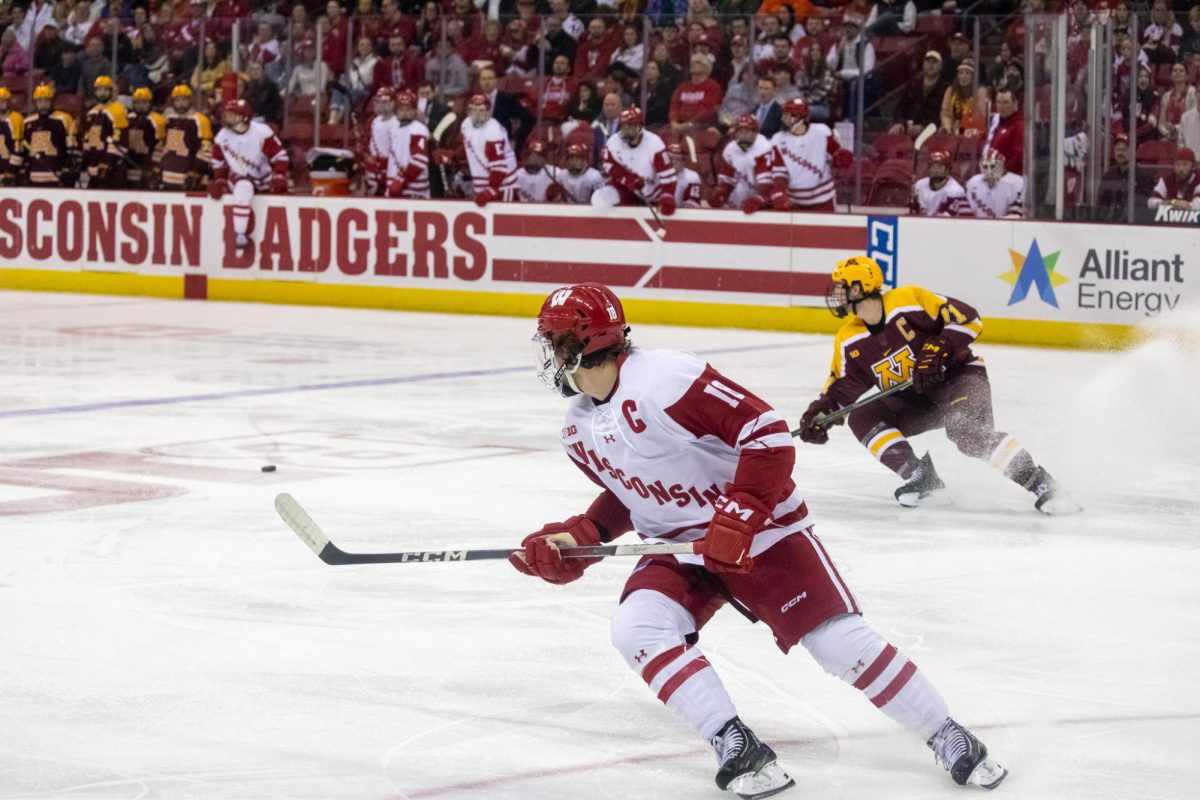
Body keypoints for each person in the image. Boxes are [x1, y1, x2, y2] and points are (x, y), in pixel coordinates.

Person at [512, 281, 1010, 798]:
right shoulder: (578, 427)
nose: (548, 355)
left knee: (838, 643)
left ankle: (946, 734)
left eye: (553, 342)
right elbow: (625, 493)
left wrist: (740, 515)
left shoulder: (666, 379)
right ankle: (736, 743)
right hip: (681, 548)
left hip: (764, 534)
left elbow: (766, 432)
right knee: (636, 627)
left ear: (583, 342)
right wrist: (582, 536)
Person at [797, 257, 1081, 515]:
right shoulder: (849, 338)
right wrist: (821, 413)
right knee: (863, 416)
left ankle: (1043, 484)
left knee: (967, 432)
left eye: (843, 286)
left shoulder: (907, 300)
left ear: (861, 286)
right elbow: (841, 387)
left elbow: (969, 319)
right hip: (915, 398)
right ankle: (922, 478)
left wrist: (941, 346)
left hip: (959, 379)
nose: (837, 293)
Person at [209, 98, 290, 251]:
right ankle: (240, 233)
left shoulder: (261, 132)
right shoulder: (222, 136)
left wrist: (279, 175)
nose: (227, 117)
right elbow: (218, 161)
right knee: (243, 189)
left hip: (263, 176)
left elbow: (280, 156)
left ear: (245, 117)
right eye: (227, 114)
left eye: (233, 114)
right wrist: (219, 180)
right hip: (239, 176)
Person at [769, 97, 852, 212]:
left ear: (800, 118)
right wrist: (779, 190)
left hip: (824, 199)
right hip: (794, 201)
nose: (783, 119)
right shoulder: (777, 139)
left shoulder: (821, 132)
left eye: (788, 116)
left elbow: (837, 154)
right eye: (784, 115)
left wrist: (840, 158)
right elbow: (779, 172)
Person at [593, 105, 677, 216]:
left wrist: (667, 195)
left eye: (630, 126)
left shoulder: (654, 143)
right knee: (599, 198)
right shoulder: (614, 142)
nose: (626, 130)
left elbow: (667, 173)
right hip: (629, 189)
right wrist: (628, 179)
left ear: (640, 126)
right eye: (623, 126)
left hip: (652, 193)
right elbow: (608, 165)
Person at [712, 114, 783, 213]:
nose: (743, 135)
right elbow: (727, 178)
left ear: (755, 132)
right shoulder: (730, 149)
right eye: (740, 131)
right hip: (744, 192)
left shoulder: (765, 148)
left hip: (767, 196)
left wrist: (758, 199)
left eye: (748, 131)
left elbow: (767, 185)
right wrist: (722, 191)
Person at [456, 92, 517, 206]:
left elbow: (499, 167)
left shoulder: (493, 131)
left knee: (503, 222)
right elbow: (470, 148)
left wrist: (490, 191)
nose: (477, 114)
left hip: (502, 185)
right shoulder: (465, 125)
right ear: (468, 111)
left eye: (481, 110)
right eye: (474, 110)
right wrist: (453, 156)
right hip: (482, 182)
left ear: (489, 111)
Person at [156, 84, 213, 192]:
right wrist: (158, 166)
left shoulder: (200, 120)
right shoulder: (168, 119)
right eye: (177, 100)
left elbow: (206, 149)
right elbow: (162, 146)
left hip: (187, 175)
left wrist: (196, 171)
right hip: (168, 175)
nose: (181, 103)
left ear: (190, 100)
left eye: (184, 99)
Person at [21, 83, 77, 187]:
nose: (43, 104)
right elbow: (25, 151)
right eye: (40, 101)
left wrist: (69, 167)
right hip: (34, 177)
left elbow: (72, 148)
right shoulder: (28, 123)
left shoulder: (63, 120)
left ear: (52, 101)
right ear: (35, 103)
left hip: (57, 177)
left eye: (46, 101)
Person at [81, 75, 129, 188]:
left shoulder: (118, 110)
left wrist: (108, 163)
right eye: (100, 90)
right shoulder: (91, 113)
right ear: (95, 92)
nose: (102, 93)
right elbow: (88, 140)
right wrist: (85, 162)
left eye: (105, 90)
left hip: (112, 169)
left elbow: (120, 140)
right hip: (94, 166)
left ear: (111, 92)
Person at [387, 90, 431, 199]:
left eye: (408, 109)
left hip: (413, 190)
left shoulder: (419, 129)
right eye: (401, 109)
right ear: (396, 111)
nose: (405, 112)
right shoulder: (393, 128)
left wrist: (402, 181)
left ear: (415, 111)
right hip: (394, 186)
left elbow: (420, 160)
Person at [963, 148, 1024, 219]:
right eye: (985, 166)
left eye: (993, 166)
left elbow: (1016, 215)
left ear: (1002, 164)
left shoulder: (1017, 182)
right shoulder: (973, 182)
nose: (989, 171)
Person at [125, 87, 165, 188]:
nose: (140, 106)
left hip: (148, 162)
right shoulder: (128, 118)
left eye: (144, 102)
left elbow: (160, 145)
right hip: (131, 161)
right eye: (137, 103)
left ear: (150, 103)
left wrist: (155, 165)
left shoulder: (157, 120)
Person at [364, 87, 399, 197]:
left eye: (384, 102)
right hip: (374, 167)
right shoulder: (373, 121)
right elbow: (369, 142)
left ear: (393, 103)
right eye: (378, 101)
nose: (380, 105)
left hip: (391, 167)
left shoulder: (397, 123)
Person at [910, 151, 967, 216]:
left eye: (940, 167)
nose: (936, 170)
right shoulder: (919, 185)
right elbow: (914, 211)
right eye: (933, 167)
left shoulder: (956, 191)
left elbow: (947, 218)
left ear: (948, 169)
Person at [983, 88, 1024, 175]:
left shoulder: (1019, 126)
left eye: (1006, 102)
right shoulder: (998, 124)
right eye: (999, 102)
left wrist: (1002, 171)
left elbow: (1019, 157)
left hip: (1009, 176)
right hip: (993, 173)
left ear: (1015, 104)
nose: (1001, 106)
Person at [1148, 146, 1200, 211]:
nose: (1181, 169)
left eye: (1185, 164)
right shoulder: (1167, 180)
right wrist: (1172, 202)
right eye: (1177, 164)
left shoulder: (1198, 180)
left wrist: (1186, 206)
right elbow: (1151, 202)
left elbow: (1198, 205)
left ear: (1193, 166)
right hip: (1170, 220)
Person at [0, 87, 24, 186]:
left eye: (3, 101)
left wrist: (11, 170)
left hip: (8, 171)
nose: (0, 104)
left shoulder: (16, 118)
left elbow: (18, 147)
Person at [667, 142, 702, 208]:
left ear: (683, 161)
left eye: (677, 159)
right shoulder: (657, 174)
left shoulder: (692, 176)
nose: (674, 162)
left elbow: (691, 206)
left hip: (680, 215)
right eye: (671, 159)